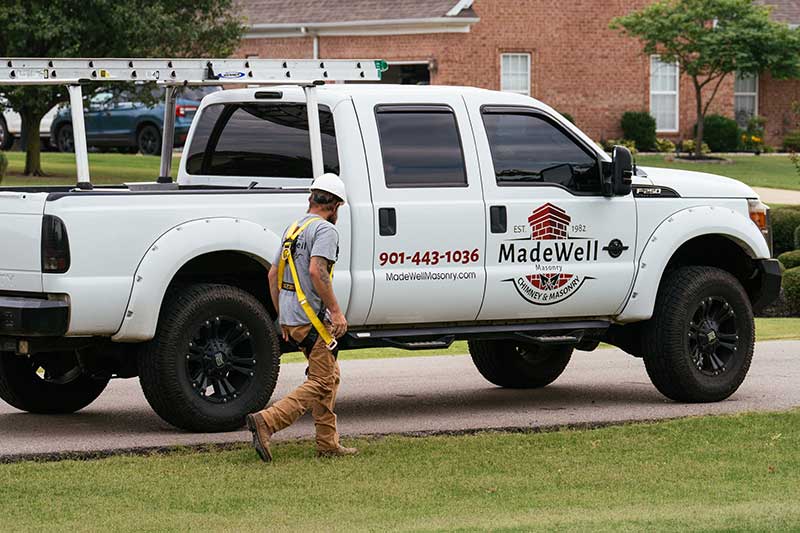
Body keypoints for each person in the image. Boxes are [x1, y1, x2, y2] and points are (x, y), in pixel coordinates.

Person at [246, 173, 357, 462]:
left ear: (312, 199)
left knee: (329, 377)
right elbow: (316, 271)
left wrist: (282, 315)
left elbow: (273, 275)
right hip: (313, 320)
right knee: (321, 381)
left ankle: (328, 443)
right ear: (334, 207)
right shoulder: (325, 231)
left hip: (292, 319)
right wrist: (336, 311)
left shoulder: (293, 228)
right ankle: (267, 422)